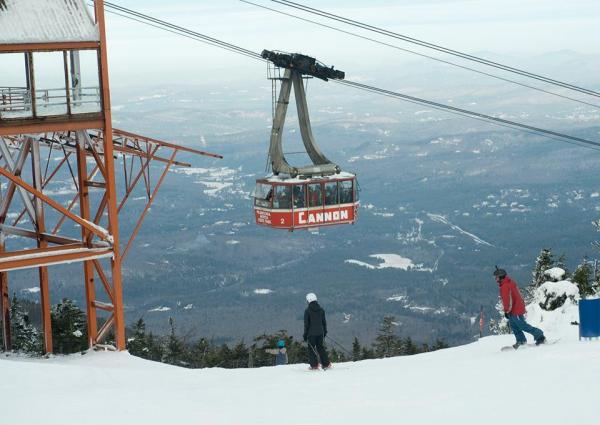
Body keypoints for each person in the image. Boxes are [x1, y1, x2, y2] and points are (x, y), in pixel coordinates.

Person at [494, 266, 546, 348]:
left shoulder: (505, 286)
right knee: (514, 326)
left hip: (515, 310)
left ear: (501, 277)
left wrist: (507, 310)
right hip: (514, 309)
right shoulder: (509, 282)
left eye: (496, 277)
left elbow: (507, 300)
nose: (495, 279)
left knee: (522, 325)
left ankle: (539, 336)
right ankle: (521, 341)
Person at [303, 292, 331, 370]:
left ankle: (314, 365)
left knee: (311, 349)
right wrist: (324, 332)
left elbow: (306, 325)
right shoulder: (321, 310)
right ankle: (326, 364)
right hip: (320, 333)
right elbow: (324, 322)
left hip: (311, 334)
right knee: (320, 348)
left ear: (308, 300)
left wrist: (305, 335)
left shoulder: (307, 311)